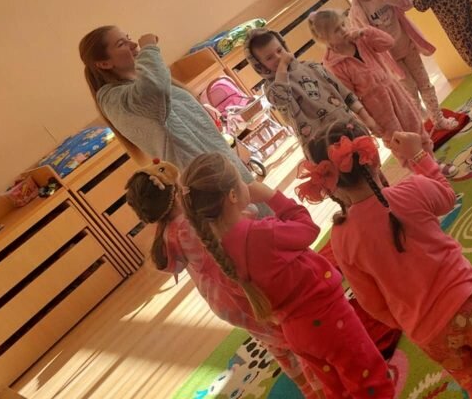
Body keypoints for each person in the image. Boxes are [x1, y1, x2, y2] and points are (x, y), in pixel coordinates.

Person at [300, 122, 472, 399]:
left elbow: (372, 303)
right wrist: (418, 155)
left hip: (428, 332)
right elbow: (447, 197)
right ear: (373, 160)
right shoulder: (414, 189)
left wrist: (410, 321)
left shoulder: (341, 239)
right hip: (470, 300)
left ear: (328, 186)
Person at [180, 152, 395, 399]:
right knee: (371, 378)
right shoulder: (261, 234)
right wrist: (271, 196)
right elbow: (308, 229)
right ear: (232, 196)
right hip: (328, 318)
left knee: (337, 389)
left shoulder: (219, 254)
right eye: (240, 178)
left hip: (296, 332)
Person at [124, 159, 322, 398]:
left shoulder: (168, 235)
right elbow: (246, 218)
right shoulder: (196, 220)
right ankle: (320, 382)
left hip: (224, 303)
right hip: (245, 291)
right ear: (176, 192)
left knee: (272, 341)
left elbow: (175, 264)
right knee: (290, 335)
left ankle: (306, 388)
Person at [80, 27, 249, 178]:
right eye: (121, 44)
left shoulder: (137, 84)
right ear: (104, 63)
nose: (133, 44)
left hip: (222, 163)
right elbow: (154, 89)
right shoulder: (111, 99)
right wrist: (149, 49)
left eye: (128, 38)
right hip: (207, 174)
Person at [308, 9, 452, 175]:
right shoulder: (333, 65)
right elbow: (350, 97)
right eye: (336, 30)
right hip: (377, 109)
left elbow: (388, 43)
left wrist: (366, 32)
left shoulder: (360, 39)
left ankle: (433, 163)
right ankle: (424, 173)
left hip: (395, 92)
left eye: (342, 25)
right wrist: (368, 121)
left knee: (415, 126)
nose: (343, 30)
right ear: (324, 38)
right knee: (399, 141)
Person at [342, 0, 459, 131]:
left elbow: (409, 2)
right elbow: (363, 42)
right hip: (391, 60)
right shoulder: (356, 13)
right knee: (410, 94)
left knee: (425, 84)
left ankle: (438, 119)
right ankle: (421, 127)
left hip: (408, 46)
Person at [243, 28, 374, 152]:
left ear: (285, 47)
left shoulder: (312, 67)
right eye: (269, 58)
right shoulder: (272, 89)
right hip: (321, 146)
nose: (278, 57)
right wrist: (283, 66)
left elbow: (344, 93)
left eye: (279, 50)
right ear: (260, 65)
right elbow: (281, 97)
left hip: (350, 128)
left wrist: (366, 118)